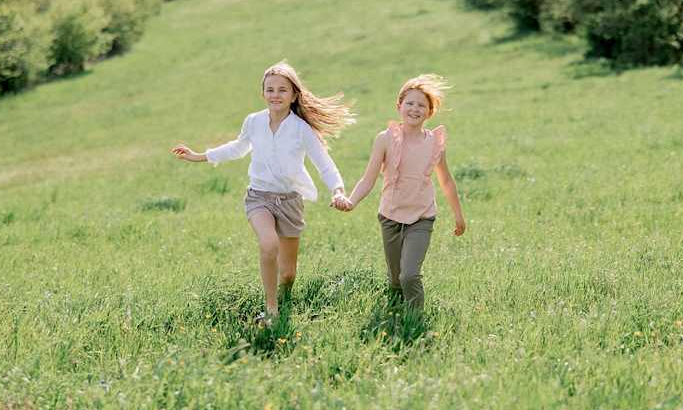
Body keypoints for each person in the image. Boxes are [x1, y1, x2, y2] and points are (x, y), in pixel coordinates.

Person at [172, 61, 352, 325]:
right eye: (270, 89)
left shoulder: (301, 128)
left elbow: (324, 163)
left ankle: (283, 296)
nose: (275, 95)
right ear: (263, 93)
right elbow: (237, 148)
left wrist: (337, 190)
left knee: (288, 274)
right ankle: (271, 309)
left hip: (290, 201)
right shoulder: (253, 122)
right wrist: (199, 156)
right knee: (269, 245)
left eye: (282, 90)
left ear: (293, 96)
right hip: (259, 197)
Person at [338, 74, 465, 311]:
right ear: (399, 106)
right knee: (396, 280)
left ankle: (414, 321)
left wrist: (458, 215)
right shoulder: (385, 139)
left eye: (421, 105)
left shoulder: (435, 142)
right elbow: (368, 178)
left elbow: (446, 180)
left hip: (422, 217)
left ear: (429, 112)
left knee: (409, 276)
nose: (415, 109)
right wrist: (351, 201)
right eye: (410, 103)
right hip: (390, 216)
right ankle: (395, 311)